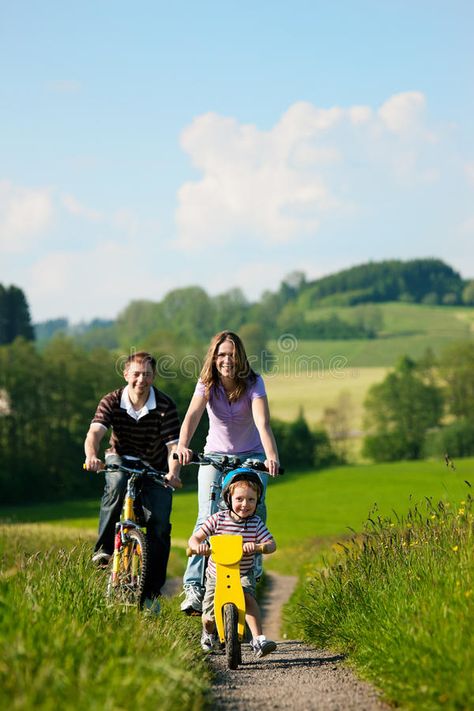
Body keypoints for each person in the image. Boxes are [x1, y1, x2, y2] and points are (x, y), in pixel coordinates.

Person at [176, 330, 279, 615]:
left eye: (231, 355)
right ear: (214, 357)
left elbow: (262, 422)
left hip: (251, 456)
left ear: (240, 357)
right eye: (221, 355)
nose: (226, 360)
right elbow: (193, 416)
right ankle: (194, 587)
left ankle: (253, 570)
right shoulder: (206, 383)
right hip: (214, 455)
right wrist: (183, 446)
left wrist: (271, 457)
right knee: (207, 516)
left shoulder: (254, 382)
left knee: (253, 510)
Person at [84, 351, 182, 611]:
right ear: (126, 374)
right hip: (120, 459)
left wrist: (174, 473)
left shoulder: (165, 405)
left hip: (154, 467)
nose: (141, 379)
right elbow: (95, 432)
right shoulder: (112, 400)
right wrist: (91, 455)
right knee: (115, 485)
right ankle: (103, 550)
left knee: (159, 524)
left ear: (154, 376)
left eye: (147, 374)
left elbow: (174, 445)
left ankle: (151, 592)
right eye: (136, 374)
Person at [188, 469, 277, 657]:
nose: (245, 505)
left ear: (257, 501)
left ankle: (258, 639)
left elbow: (272, 545)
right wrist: (198, 547)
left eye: (251, 500)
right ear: (228, 498)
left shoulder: (256, 523)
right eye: (239, 499)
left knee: (248, 599)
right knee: (209, 618)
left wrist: (259, 546)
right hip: (216, 575)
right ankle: (208, 634)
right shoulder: (217, 519)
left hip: (243, 573)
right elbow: (195, 538)